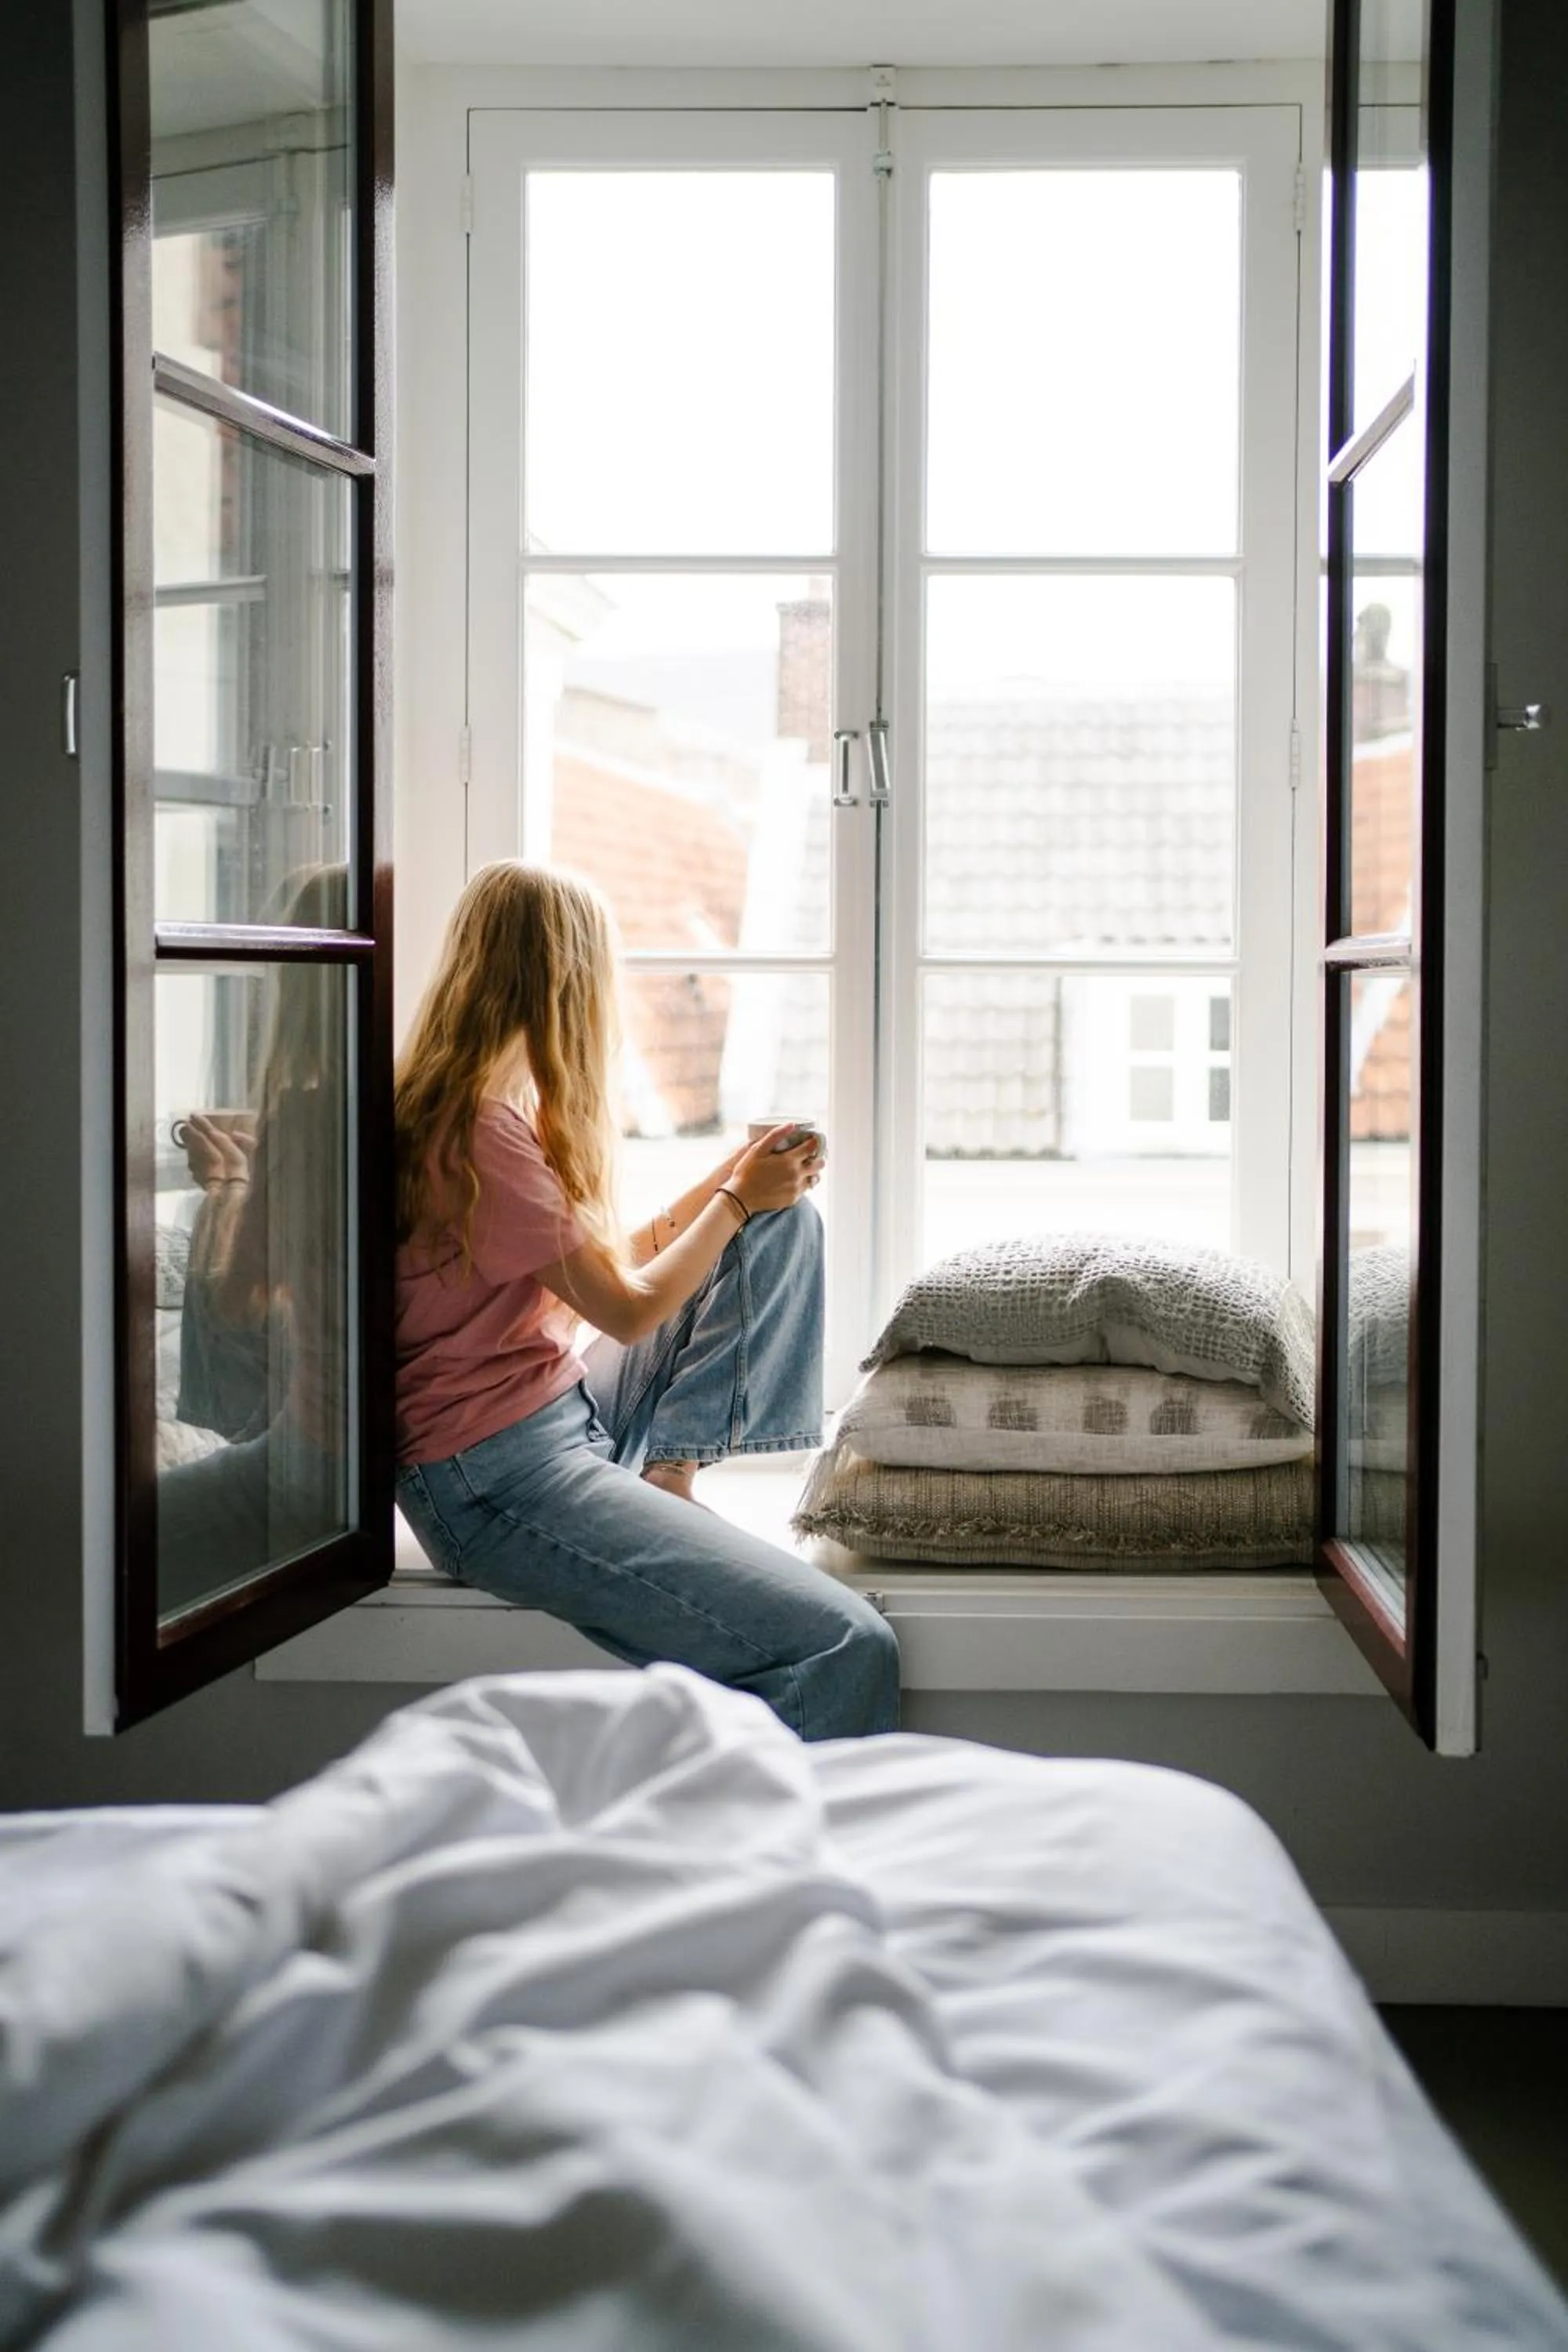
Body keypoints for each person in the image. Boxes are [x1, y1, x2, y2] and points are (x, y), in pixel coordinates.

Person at [393, 860, 901, 1741]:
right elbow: (625, 1311)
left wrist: (729, 1189)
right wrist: (735, 1199)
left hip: (549, 1415)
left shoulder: (469, 1104)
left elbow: (587, 1278)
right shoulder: (480, 1127)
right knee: (843, 1645)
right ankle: (768, 1868)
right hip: (497, 1477)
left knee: (780, 1227)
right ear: (569, 981)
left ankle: (670, 1472)